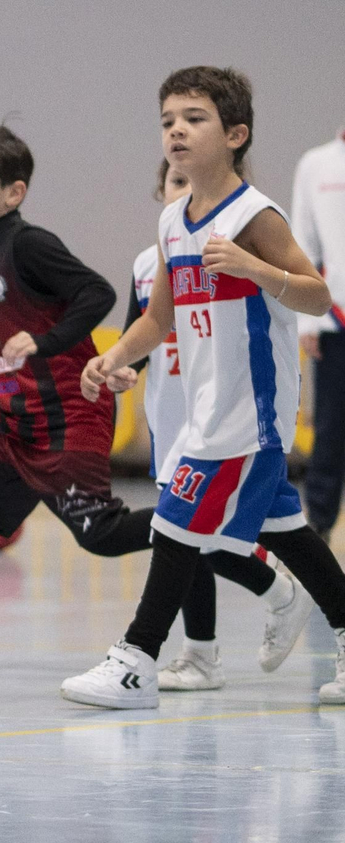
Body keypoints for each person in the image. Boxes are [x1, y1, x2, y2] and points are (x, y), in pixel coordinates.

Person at [0, 126, 286, 670]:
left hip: (68, 414)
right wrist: (0, 376)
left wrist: (46, 344)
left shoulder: (28, 244)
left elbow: (96, 292)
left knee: (102, 535)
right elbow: (16, 332)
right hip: (17, 417)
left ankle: (237, 543)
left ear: (14, 192)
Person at [63, 66, 345, 709]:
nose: (177, 131)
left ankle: (136, 660)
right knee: (289, 534)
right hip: (205, 407)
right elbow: (158, 318)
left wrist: (254, 267)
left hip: (252, 409)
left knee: (175, 522)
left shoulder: (255, 215)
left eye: (194, 119)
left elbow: (317, 294)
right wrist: (113, 357)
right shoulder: (172, 221)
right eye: (168, 121)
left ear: (235, 134)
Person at [112, 160, 306, 690]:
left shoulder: (246, 232)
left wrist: (255, 269)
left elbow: (308, 295)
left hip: (233, 414)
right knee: (216, 536)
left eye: (192, 182)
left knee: (181, 531)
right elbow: (147, 327)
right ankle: (266, 606)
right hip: (173, 414)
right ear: (160, 190)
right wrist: (120, 365)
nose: (184, 192)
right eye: (176, 182)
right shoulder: (151, 258)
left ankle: (174, 654)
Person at [292, 125, 345, 541]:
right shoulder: (316, 163)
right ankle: (320, 523)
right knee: (330, 427)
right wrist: (307, 319)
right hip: (334, 319)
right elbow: (303, 243)